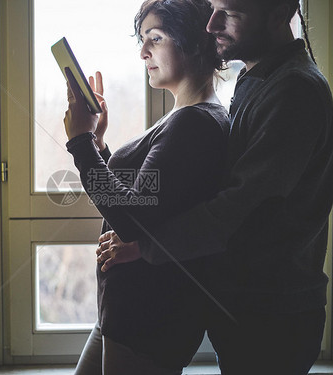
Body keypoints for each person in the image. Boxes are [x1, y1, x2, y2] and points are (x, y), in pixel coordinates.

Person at [95, 0, 333, 374]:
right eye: (212, 8)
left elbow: (232, 210)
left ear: (280, 13)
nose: (211, 25)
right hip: (248, 310)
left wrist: (144, 245)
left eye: (230, 13)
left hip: (273, 317)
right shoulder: (258, 79)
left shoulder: (293, 91)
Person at [62, 0, 230, 373]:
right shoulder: (185, 118)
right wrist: (98, 144)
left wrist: (80, 142)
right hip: (124, 317)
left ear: (192, 42)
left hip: (146, 324)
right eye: (142, 40)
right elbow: (146, 199)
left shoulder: (195, 124)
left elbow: (132, 219)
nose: (143, 52)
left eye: (155, 38)